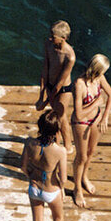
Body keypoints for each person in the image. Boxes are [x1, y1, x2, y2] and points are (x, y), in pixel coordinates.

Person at [20, 108, 68, 221]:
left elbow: (23, 167)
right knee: (58, 218)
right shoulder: (60, 151)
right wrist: (61, 189)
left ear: (39, 126)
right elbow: (63, 178)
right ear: (56, 131)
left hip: (34, 188)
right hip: (51, 190)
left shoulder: (29, 143)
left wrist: (31, 177)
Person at [70, 54, 111, 208]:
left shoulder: (100, 79)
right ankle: (76, 189)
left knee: (91, 152)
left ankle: (84, 177)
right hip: (81, 122)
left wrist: (105, 117)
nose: (104, 74)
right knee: (81, 156)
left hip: (96, 119)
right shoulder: (79, 84)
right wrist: (97, 102)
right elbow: (79, 114)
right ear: (97, 70)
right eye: (103, 71)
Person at [35, 21, 75, 154]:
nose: (50, 38)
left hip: (62, 89)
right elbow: (45, 69)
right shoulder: (48, 45)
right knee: (55, 116)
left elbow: (60, 82)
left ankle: (68, 147)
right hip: (50, 86)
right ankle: (56, 145)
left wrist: (45, 102)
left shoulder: (70, 56)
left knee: (61, 117)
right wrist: (41, 96)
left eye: (54, 36)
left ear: (63, 38)